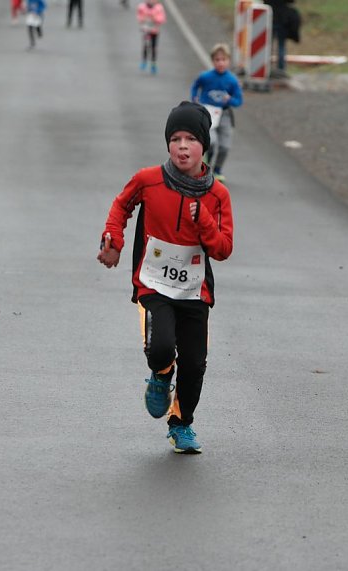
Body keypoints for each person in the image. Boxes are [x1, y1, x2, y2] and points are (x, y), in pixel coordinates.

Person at [97, 101, 234, 454]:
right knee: (160, 349)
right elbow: (120, 206)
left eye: (191, 138)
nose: (183, 146)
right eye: (175, 138)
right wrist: (112, 241)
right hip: (154, 283)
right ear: (168, 144)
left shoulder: (217, 195)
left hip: (194, 290)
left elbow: (222, 249)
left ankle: (181, 424)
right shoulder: (149, 180)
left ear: (204, 145)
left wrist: (202, 218)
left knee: (195, 364)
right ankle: (160, 374)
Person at [190, 43, 243, 182]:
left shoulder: (232, 80)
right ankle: (206, 166)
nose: (221, 63)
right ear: (212, 61)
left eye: (224, 60)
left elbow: (238, 101)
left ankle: (218, 169)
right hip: (208, 112)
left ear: (229, 61)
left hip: (224, 114)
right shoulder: (206, 76)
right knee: (211, 141)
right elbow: (195, 86)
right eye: (217, 60)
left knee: (225, 146)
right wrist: (195, 98)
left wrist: (230, 100)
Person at [264, 0, 293, 76]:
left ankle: (266, 67)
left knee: (268, 46)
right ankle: (281, 69)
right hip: (283, 19)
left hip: (269, 18)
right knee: (281, 46)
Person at [137, 0, 165, 74]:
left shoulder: (159, 8)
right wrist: (143, 19)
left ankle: (153, 64)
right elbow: (139, 17)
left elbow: (162, 19)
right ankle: (144, 61)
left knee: (153, 47)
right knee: (146, 45)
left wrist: (154, 18)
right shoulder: (142, 7)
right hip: (146, 30)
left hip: (155, 30)